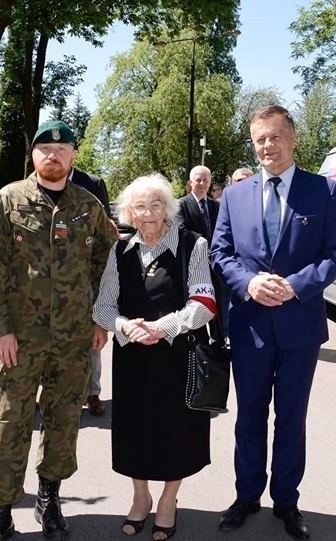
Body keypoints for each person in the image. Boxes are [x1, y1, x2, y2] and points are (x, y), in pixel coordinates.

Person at [210, 105, 336, 541]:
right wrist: (249, 284)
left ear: (292, 138)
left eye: (274, 137)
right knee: (249, 416)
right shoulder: (235, 195)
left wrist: (295, 286)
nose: (267, 146)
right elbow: (221, 253)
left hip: (299, 326)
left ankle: (286, 500)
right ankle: (247, 494)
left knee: (291, 416)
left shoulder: (323, 191)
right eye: (259, 140)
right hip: (250, 325)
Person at [0, 120, 117, 541]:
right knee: (9, 421)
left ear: (73, 155)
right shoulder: (9, 201)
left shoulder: (88, 206)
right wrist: (1, 330)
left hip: (73, 340)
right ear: (33, 155)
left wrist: (100, 318)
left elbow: (110, 266)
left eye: (62, 148)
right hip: (19, 338)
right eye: (44, 148)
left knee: (63, 421)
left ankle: (49, 497)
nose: (52, 155)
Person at [93, 173, 215, 540]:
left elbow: (205, 304)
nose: (148, 213)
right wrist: (126, 327)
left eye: (156, 204)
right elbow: (102, 306)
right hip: (132, 359)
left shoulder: (193, 245)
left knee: (176, 431)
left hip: (177, 357)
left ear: (169, 208)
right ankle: (141, 497)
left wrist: (161, 328)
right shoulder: (120, 250)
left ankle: (168, 500)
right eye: (140, 206)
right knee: (135, 429)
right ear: (129, 212)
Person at [68, 165, 113, 416]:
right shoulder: (43, 183)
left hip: (86, 275)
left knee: (91, 337)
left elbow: (104, 231)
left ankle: (93, 392)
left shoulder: (93, 183)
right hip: (49, 280)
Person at [177, 165, 224, 346]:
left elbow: (222, 232)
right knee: (197, 303)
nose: (202, 183)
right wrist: (203, 248)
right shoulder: (181, 205)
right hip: (193, 265)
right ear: (190, 182)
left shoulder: (216, 206)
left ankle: (218, 341)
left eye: (206, 180)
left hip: (215, 265)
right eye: (198, 179)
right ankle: (197, 342)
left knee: (216, 304)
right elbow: (181, 231)